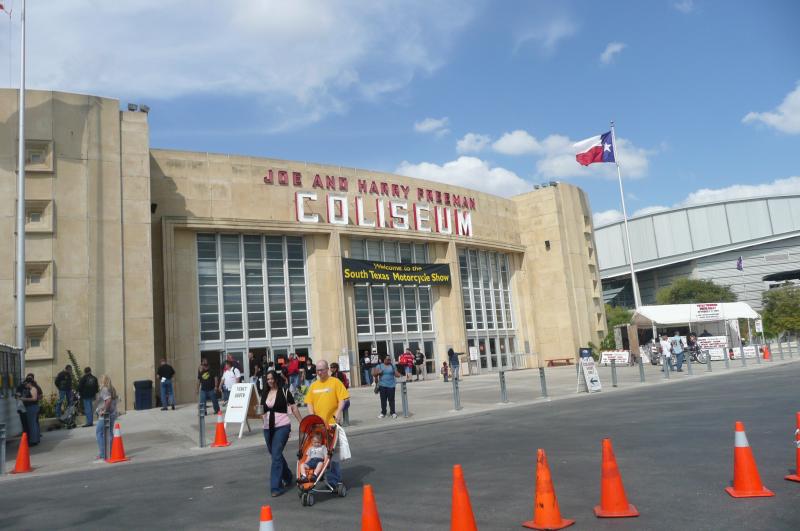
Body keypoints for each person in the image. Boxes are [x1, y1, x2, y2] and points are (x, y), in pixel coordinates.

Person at [305, 360, 349, 488]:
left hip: (331, 424)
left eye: (321, 370)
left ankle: (334, 480)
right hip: (318, 426)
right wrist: (312, 417)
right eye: (317, 370)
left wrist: (339, 412)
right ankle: (317, 474)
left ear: (327, 369)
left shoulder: (335, 382)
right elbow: (309, 402)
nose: (319, 372)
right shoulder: (313, 386)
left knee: (332, 454)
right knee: (318, 451)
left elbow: (342, 399)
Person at [261, 369, 303, 497]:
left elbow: (294, 407)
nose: (270, 381)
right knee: (275, 454)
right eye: (268, 379)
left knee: (276, 455)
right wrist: (261, 417)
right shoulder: (265, 392)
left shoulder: (284, 391)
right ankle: (288, 476)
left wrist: (302, 423)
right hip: (268, 427)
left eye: (272, 378)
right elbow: (262, 409)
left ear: (276, 379)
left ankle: (276, 487)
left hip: (282, 426)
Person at [95, 375, 118, 461]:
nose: (99, 382)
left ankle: (103, 453)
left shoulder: (104, 389)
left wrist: (104, 410)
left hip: (106, 415)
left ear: (103, 381)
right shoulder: (112, 389)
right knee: (109, 433)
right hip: (112, 413)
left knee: (99, 432)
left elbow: (108, 400)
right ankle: (109, 452)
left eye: (100, 380)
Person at [19, 374, 41, 445]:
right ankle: (36, 439)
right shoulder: (31, 389)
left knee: (32, 424)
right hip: (32, 407)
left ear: (29, 383)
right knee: (34, 424)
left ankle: (33, 440)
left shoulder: (33, 389)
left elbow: (34, 398)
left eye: (26, 384)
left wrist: (24, 399)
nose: (25, 385)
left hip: (32, 407)